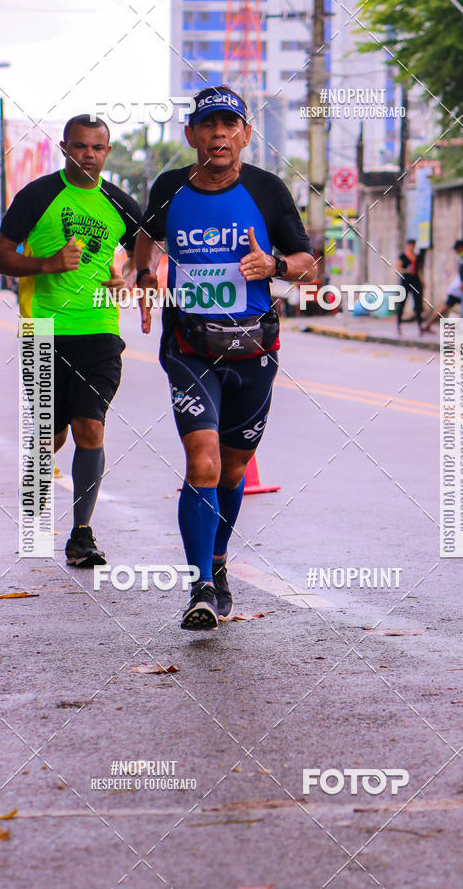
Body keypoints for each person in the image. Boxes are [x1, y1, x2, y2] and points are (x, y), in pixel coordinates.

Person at [135, 86, 316, 631]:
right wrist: (145, 275)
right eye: (207, 126)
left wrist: (276, 266)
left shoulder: (266, 189)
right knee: (204, 464)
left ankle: (217, 558)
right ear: (190, 135)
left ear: (245, 135)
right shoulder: (170, 188)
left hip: (253, 349)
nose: (219, 135)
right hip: (189, 347)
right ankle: (201, 587)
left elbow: (309, 263)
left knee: (234, 469)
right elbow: (146, 234)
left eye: (229, 125)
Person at [0, 114, 142, 567]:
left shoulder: (120, 202)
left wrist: (125, 277)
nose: (87, 155)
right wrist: (47, 264)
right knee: (48, 438)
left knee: (89, 426)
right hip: (43, 331)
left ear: (107, 151)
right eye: (79, 146)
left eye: (96, 147)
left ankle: (81, 534)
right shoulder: (37, 195)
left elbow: (143, 251)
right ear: (64, 147)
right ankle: (34, 507)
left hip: (98, 331)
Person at [421, 239, 463, 333]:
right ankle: (433, 325)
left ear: (461, 247)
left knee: (452, 307)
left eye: (457, 249)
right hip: (460, 289)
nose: (456, 251)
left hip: (460, 287)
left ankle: (429, 325)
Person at [396, 238, 425, 335]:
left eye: (413, 244)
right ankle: (399, 324)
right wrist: (406, 270)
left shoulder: (418, 256)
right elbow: (398, 268)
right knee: (402, 302)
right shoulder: (403, 256)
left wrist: (422, 280)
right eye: (410, 244)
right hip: (405, 281)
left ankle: (420, 325)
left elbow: (420, 270)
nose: (411, 246)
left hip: (416, 281)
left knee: (418, 304)